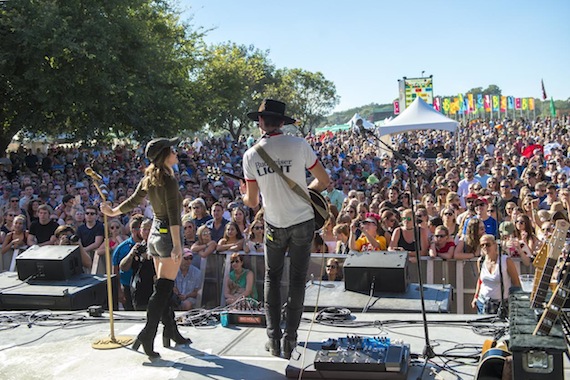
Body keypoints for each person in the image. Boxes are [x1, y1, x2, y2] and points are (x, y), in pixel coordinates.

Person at [240, 99, 329, 359]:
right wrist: (303, 193)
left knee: (272, 279)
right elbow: (324, 181)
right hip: (302, 222)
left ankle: (273, 339)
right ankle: (291, 338)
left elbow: (253, 202)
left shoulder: (251, 155)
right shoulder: (299, 145)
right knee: (298, 280)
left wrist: (244, 196)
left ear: (260, 123)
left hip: (274, 225)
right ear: (282, 122)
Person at [101, 137, 190, 358]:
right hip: (168, 236)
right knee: (162, 290)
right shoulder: (168, 180)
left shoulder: (149, 178)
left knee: (163, 288)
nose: (176, 153)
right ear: (165, 155)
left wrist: (113, 211)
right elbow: (173, 215)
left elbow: (132, 201)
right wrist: (178, 245)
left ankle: (170, 331)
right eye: (173, 150)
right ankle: (148, 334)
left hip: (155, 236)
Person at [471, 234, 521, 314]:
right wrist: (475, 297)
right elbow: (480, 280)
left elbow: (516, 283)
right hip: (483, 302)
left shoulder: (505, 261)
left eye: (488, 244)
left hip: (500, 304)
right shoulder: (481, 261)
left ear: (495, 245)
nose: (485, 247)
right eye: (482, 245)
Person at [119, 219, 155, 311]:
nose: (147, 232)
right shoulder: (137, 247)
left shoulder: (159, 247)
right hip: (139, 290)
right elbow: (123, 267)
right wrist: (131, 254)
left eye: (149, 229)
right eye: (144, 229)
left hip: (155, 288)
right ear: (140, 231)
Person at [111, 214, 145, 311]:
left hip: (144, 284)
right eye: (142, 228)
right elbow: (115, 271)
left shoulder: (150, 245)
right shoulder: (122, 248)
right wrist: (119, 291)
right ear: (134, 230)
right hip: (127, 286)